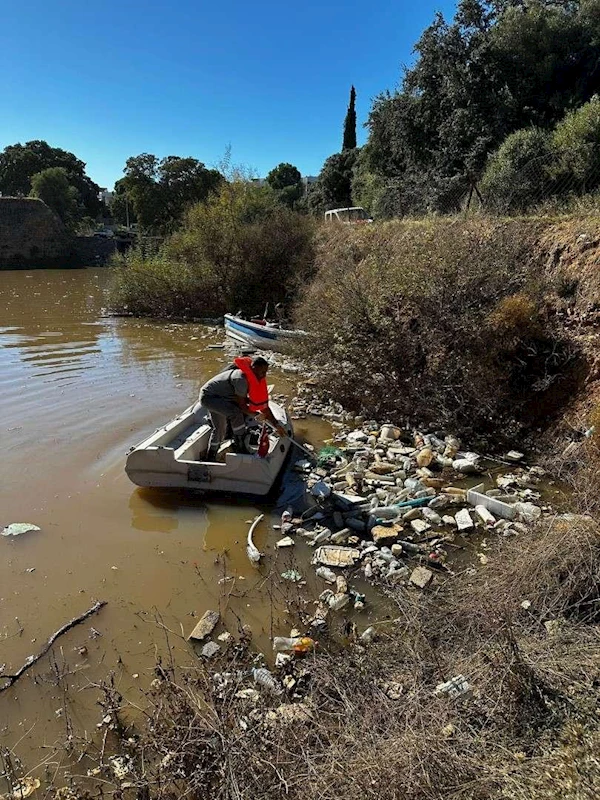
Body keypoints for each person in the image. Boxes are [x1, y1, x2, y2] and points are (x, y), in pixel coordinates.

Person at [194, 356, 286, 459]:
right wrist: (257, 415)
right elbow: (242, 407)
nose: (264, 375)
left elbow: (264, 407)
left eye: (266, 372)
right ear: (254, 368)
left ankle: (211, 456)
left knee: (219, 429)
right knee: (236, 413)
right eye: (262, 372)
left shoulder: (254, 379)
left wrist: (276, 424)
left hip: (222, 397)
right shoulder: (241, 379)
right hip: (210, 398)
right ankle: (239, 446)